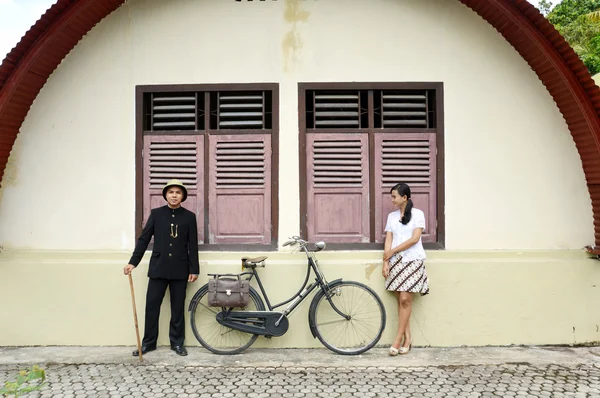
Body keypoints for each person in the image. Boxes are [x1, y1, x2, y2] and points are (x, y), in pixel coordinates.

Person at [123, 179, 200, 357]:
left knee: (177, 307)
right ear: (165, 194)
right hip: (158, 268)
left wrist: (194, 269)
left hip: (180, 269)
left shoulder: (189, 217)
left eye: (178, 192)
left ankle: (177, 343)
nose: (174, 195)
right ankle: (149, 343)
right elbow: (144, 239)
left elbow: (192, 245)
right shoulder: (156, 214)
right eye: (171, 192)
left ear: (183, 196)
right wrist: (133, 262)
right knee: (152, 306)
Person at [382, 182, 430, 356]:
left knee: (405, 299)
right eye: (392, 196)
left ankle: (398, 338)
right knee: (401, 301)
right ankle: (408, 338)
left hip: (413, 260)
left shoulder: (418, 215)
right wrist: (386, 261)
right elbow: (388, 239)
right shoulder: (391, 217)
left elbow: (414, 239)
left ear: (405, 197)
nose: (392, 199)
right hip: (395, 261)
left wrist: (393, 250)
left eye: (394, 196)